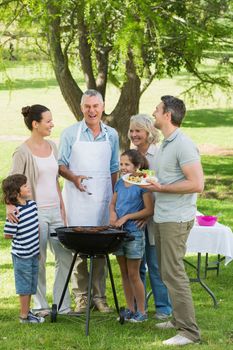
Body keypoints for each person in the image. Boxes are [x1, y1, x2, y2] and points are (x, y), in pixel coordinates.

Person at [144, 95, 203, 346]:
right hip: (163, 216)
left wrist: (162, 188)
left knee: (174, 273)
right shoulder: (167, 143)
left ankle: (189, 332)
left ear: (168, 115)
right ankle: (178, 320)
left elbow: (197, 184)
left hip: (175, 219)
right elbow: (165, 176)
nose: (154, 113)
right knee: (166, 272)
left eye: (157, 110)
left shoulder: (183, 144)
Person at [7, 104, 73, 316]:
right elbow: (10, 183)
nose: (52, 124)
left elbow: (54, 180)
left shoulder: (52, 146)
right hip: (35, 214)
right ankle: (41, 305)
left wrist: (62, 206)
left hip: (55, 211)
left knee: (65, 256)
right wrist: (10, 205)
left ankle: (62, 305)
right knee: (39, 259)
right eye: (48, 121)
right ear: (35, 124)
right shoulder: (22, 151)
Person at [58, 89, 119, 313]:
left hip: (102, 199)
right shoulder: (70, 133)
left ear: (102, 107)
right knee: (79, 250)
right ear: (81, 108)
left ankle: (99, 298)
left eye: (96, 106)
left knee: (101, 249)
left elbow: (114, 168)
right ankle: (81, 299)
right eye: (87, 107)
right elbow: (60, 164)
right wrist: (73, 177)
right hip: (77, 199)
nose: (91, 111)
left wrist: (115, 199)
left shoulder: (111, 134)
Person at [128, 114, 172, 319]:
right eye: (132, 131)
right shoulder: (130, 156)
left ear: (149, 132)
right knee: (138, 263)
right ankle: (140, 307)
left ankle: (163, 308)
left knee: (155, 264)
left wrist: (149, 213)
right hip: (137, 217)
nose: (134, 134)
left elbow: (160, 184)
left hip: (156, 216)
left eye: (138, 130)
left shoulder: (160, 153)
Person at [110, 149, 154, 322]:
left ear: (137, 166)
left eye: (127, 164)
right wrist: (113, 214)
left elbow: (149, 209)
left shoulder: (143, 183)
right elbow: (112, 204)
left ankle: (141, 311)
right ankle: (129, 308)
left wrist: (127, 216)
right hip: (119, 233)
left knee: (134, 273)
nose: (123, 168)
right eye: (121, 164)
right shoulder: (120, 183)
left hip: (134, 233)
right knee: (124, 273)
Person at [2, 174, 44, 323]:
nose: (28, 187)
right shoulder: (14, 212)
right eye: (25, 186)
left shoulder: (32, 205)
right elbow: (8, 235)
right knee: (24, 286)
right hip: (21, 256)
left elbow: (36, 227)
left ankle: (28, 312)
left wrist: (37, 248)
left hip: (33, 253)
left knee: (31, 284)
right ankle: (24, 316)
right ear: (16, 192)